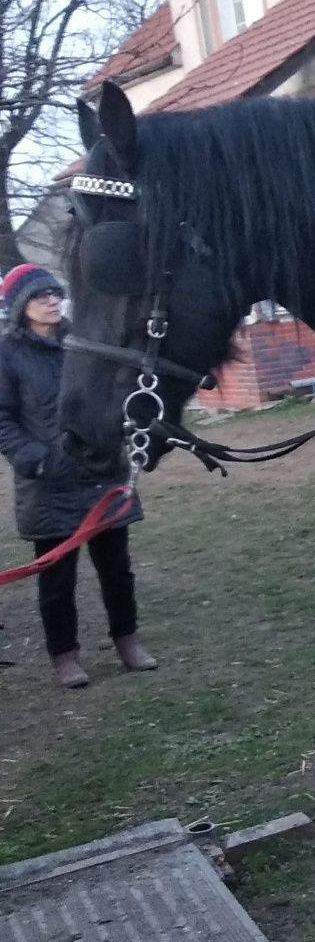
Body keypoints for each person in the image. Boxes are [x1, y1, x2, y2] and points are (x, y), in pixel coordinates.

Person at [0, 263, 155, 688]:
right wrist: (35, 459)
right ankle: (65, 655)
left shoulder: (86, 342)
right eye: (40, 296)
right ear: (19, 307)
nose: (52, 301)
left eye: (55, 293)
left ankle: (127, 640)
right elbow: (2, 418)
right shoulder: (7, 355)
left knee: (117, 570)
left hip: (103, 472)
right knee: (57, 579)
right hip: (48, 484)